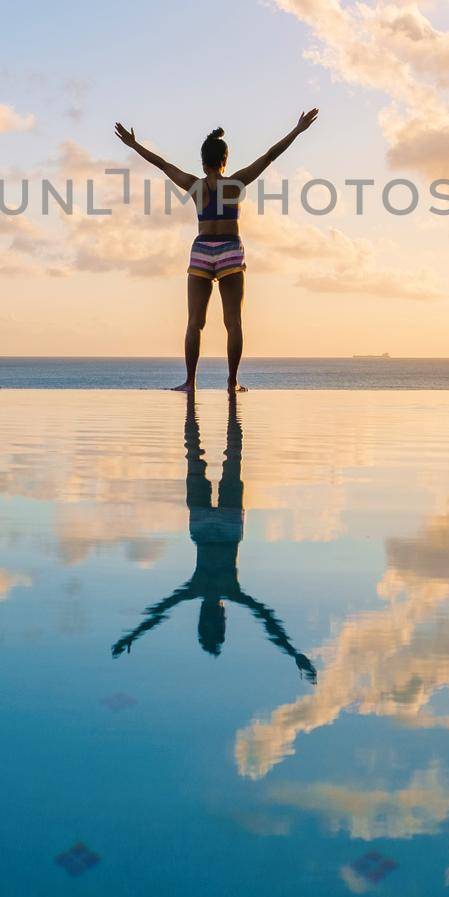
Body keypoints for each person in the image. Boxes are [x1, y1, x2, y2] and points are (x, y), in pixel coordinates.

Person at [111, 398, 316, 682]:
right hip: (204, 527)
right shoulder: (202, 590)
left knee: (231, 456)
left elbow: (267, 620)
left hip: (228, 528)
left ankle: (221, 409)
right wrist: (294, 653)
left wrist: (294, 653)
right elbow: (160, 612)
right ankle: (227, 407)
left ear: (221, 619)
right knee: (195, 455)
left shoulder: (224, 590)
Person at [113, 110, 318, 392]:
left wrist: (134, 145)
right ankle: (232, 382)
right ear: (225, 160)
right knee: (233, 323)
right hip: (230, 251)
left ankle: (190, 381)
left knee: (194, 323)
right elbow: (271, 155)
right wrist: (297, 130)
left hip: (201, 250)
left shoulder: (195, 186)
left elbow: (162, 164)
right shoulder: (235, 184)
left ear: (202, 160)